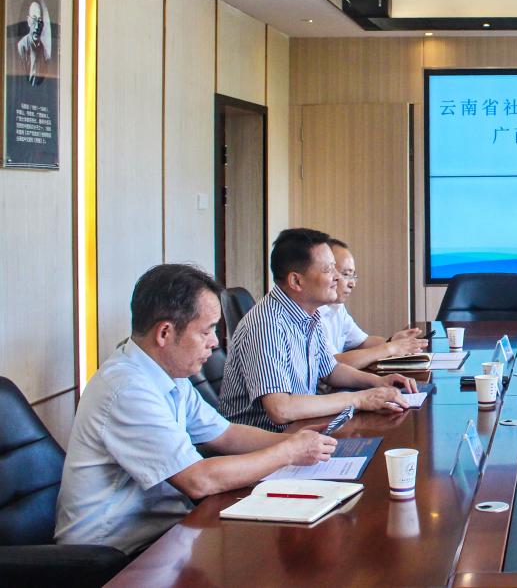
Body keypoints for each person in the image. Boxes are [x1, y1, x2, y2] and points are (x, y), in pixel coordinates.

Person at [55, 264, 338, 555]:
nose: (215, 343)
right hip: (114, 555)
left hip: (166, 533)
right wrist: (289, 452)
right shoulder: (127, 389)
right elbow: (198, 480)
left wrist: (296, 441)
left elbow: (225, 435)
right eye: (206, 331)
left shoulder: (169, 375)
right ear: (165, 332)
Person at [218, 228, 415, 431]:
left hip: (300, 430)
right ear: (296, 281)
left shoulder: (310, 315)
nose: (337, 278)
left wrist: (378, 382)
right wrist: (358, 399)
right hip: (265, 441)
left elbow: (330, 370)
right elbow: (280, 409)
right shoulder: (267, 325)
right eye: (328, 270)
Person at [322, 238, 427, 370]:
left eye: (353, 276)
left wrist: (392, 341)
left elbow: (361, 342)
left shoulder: (337, 307)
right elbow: (332, 365)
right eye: (346, 274)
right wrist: (391, 348)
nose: (352, 284)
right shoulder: (313, 312)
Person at [15, 0, 52, 87]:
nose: (37, 27)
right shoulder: (21, 46)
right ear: (28, 21)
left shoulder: (44, 52)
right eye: (34, 20)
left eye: (39, 22)